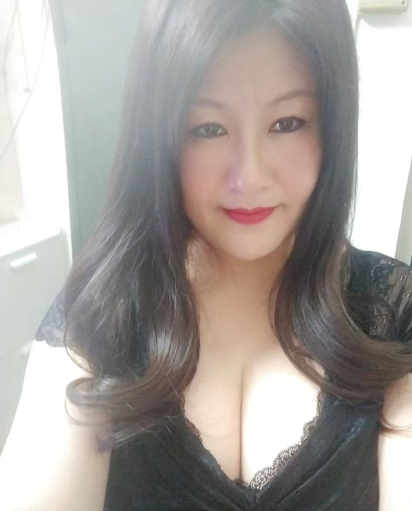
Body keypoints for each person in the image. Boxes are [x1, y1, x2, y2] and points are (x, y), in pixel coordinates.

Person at [1, 0, 412, 510]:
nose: (249, 177)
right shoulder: (101, 316)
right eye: (208, 128)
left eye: (287, 123)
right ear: (161, 140)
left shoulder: (390, 311)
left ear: (332, 125)